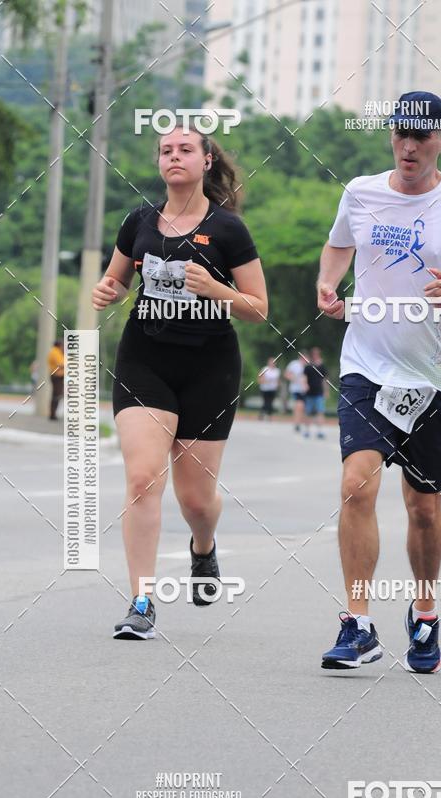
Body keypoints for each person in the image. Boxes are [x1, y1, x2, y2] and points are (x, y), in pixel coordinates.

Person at [317, 91, 441, 672]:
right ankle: (358, 624)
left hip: (433, 378)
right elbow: (338, 244)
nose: (408, 144)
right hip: (368, 365)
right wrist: (329, 285)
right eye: (401, 132)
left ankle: (424, 614)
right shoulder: (360, 192)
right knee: (357, 483)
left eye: (421, 136)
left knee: (423, 508)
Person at [91, 125, 268, 639]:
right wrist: (108, 291)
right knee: (144, 478)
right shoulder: (138, 222)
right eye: (166, 150)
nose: (174, 157)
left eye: (185, 150)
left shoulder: (228, 230)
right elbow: (116, 280)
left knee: (195, 500)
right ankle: (142, 601)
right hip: (145, 359)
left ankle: (204, 547)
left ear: (206, 161)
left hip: (209, 366)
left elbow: (259, 308)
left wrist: (215, 287)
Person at [303, 346, 328, 439]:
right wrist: (305, 385)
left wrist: (326, 391)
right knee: (308, 412)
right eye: (314, 354)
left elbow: (324, 380)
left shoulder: (322, 366)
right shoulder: (308, 366)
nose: (315, 355)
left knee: (320, 411)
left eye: (317, 354)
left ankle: (320, 431)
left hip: (319, 393)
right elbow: (304, 377)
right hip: (309, 393)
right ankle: (307, 431)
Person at [284, 350, 308, 431]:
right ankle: (297, 423)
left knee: (303, 407)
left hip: (305, 390)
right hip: (296, 389)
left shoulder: (308, 365)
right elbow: (286, 374)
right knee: (299, 405)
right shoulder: (294, 364)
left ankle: (300, 423)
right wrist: (293, 378)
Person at [47, 339, 64, 420]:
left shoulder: (57, 352)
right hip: (57, 376)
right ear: (59, 345)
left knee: (57, 395)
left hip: (58, 376)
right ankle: (52, 414)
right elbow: (60, 364)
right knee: (56, 395)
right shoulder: (55, 352)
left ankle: (53, 413)